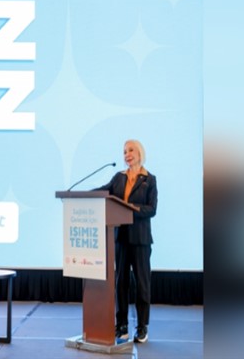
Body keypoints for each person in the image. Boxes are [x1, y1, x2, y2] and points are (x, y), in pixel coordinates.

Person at [95, 139, 158, 343]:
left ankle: (142, 327)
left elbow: (152, 209)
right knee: (120, 283)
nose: (127, 154)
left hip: (140, 240)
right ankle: (121, 325)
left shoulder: (150, 179)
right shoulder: (118, 178)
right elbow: (104, 191)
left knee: (142, 284)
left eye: (131, 150)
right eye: (124, 151)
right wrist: (83, 195)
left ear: (139, 153)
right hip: (121, 238)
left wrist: (130, 209)